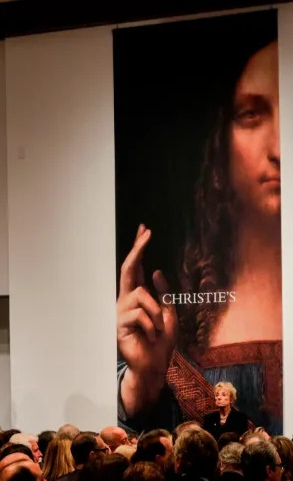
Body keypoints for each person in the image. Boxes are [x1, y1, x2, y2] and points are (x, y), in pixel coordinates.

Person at [117, 38, 281, 433]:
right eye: (252, 115)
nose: (278, 147)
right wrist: (143, 379)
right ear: (220, 137)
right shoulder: (173, 303)